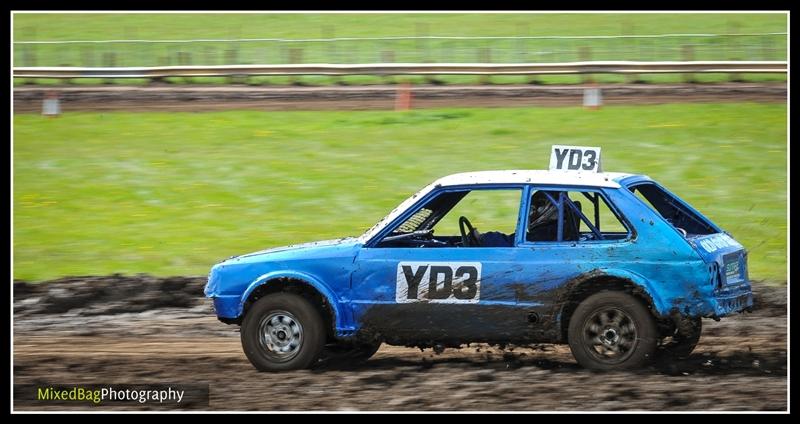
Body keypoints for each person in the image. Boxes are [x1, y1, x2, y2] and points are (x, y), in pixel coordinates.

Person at [475, 191, 561, 247]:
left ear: (547, 209)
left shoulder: (547, 233)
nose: (530, 214)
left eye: (532, 210)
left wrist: (483, 239)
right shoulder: (559, 230)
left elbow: (511, 244)